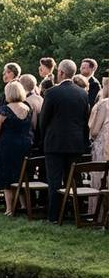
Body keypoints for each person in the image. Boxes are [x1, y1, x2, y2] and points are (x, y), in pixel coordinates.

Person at [39, 59, 91, 223]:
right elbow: (85, 120)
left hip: (55, 143)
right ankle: (76, 212)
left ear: (60, 72)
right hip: (75, 143)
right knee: (74, 179)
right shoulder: (82, 93)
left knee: (55, 180)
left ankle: (54, 216)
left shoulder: (52, 93)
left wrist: (44, 138)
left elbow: (43, 120)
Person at [0, 81, 34, 215]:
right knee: (21, 174)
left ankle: (9, 208)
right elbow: (32, 126)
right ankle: (23, 205)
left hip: (8, 145)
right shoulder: (28, 108)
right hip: (25, 144)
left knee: (7, 175)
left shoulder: (4, 109)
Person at [89, 85, 109, 217]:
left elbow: (95, 130)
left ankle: (99, 216)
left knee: (99, 179)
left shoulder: (104, 104)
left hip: (104, 147)